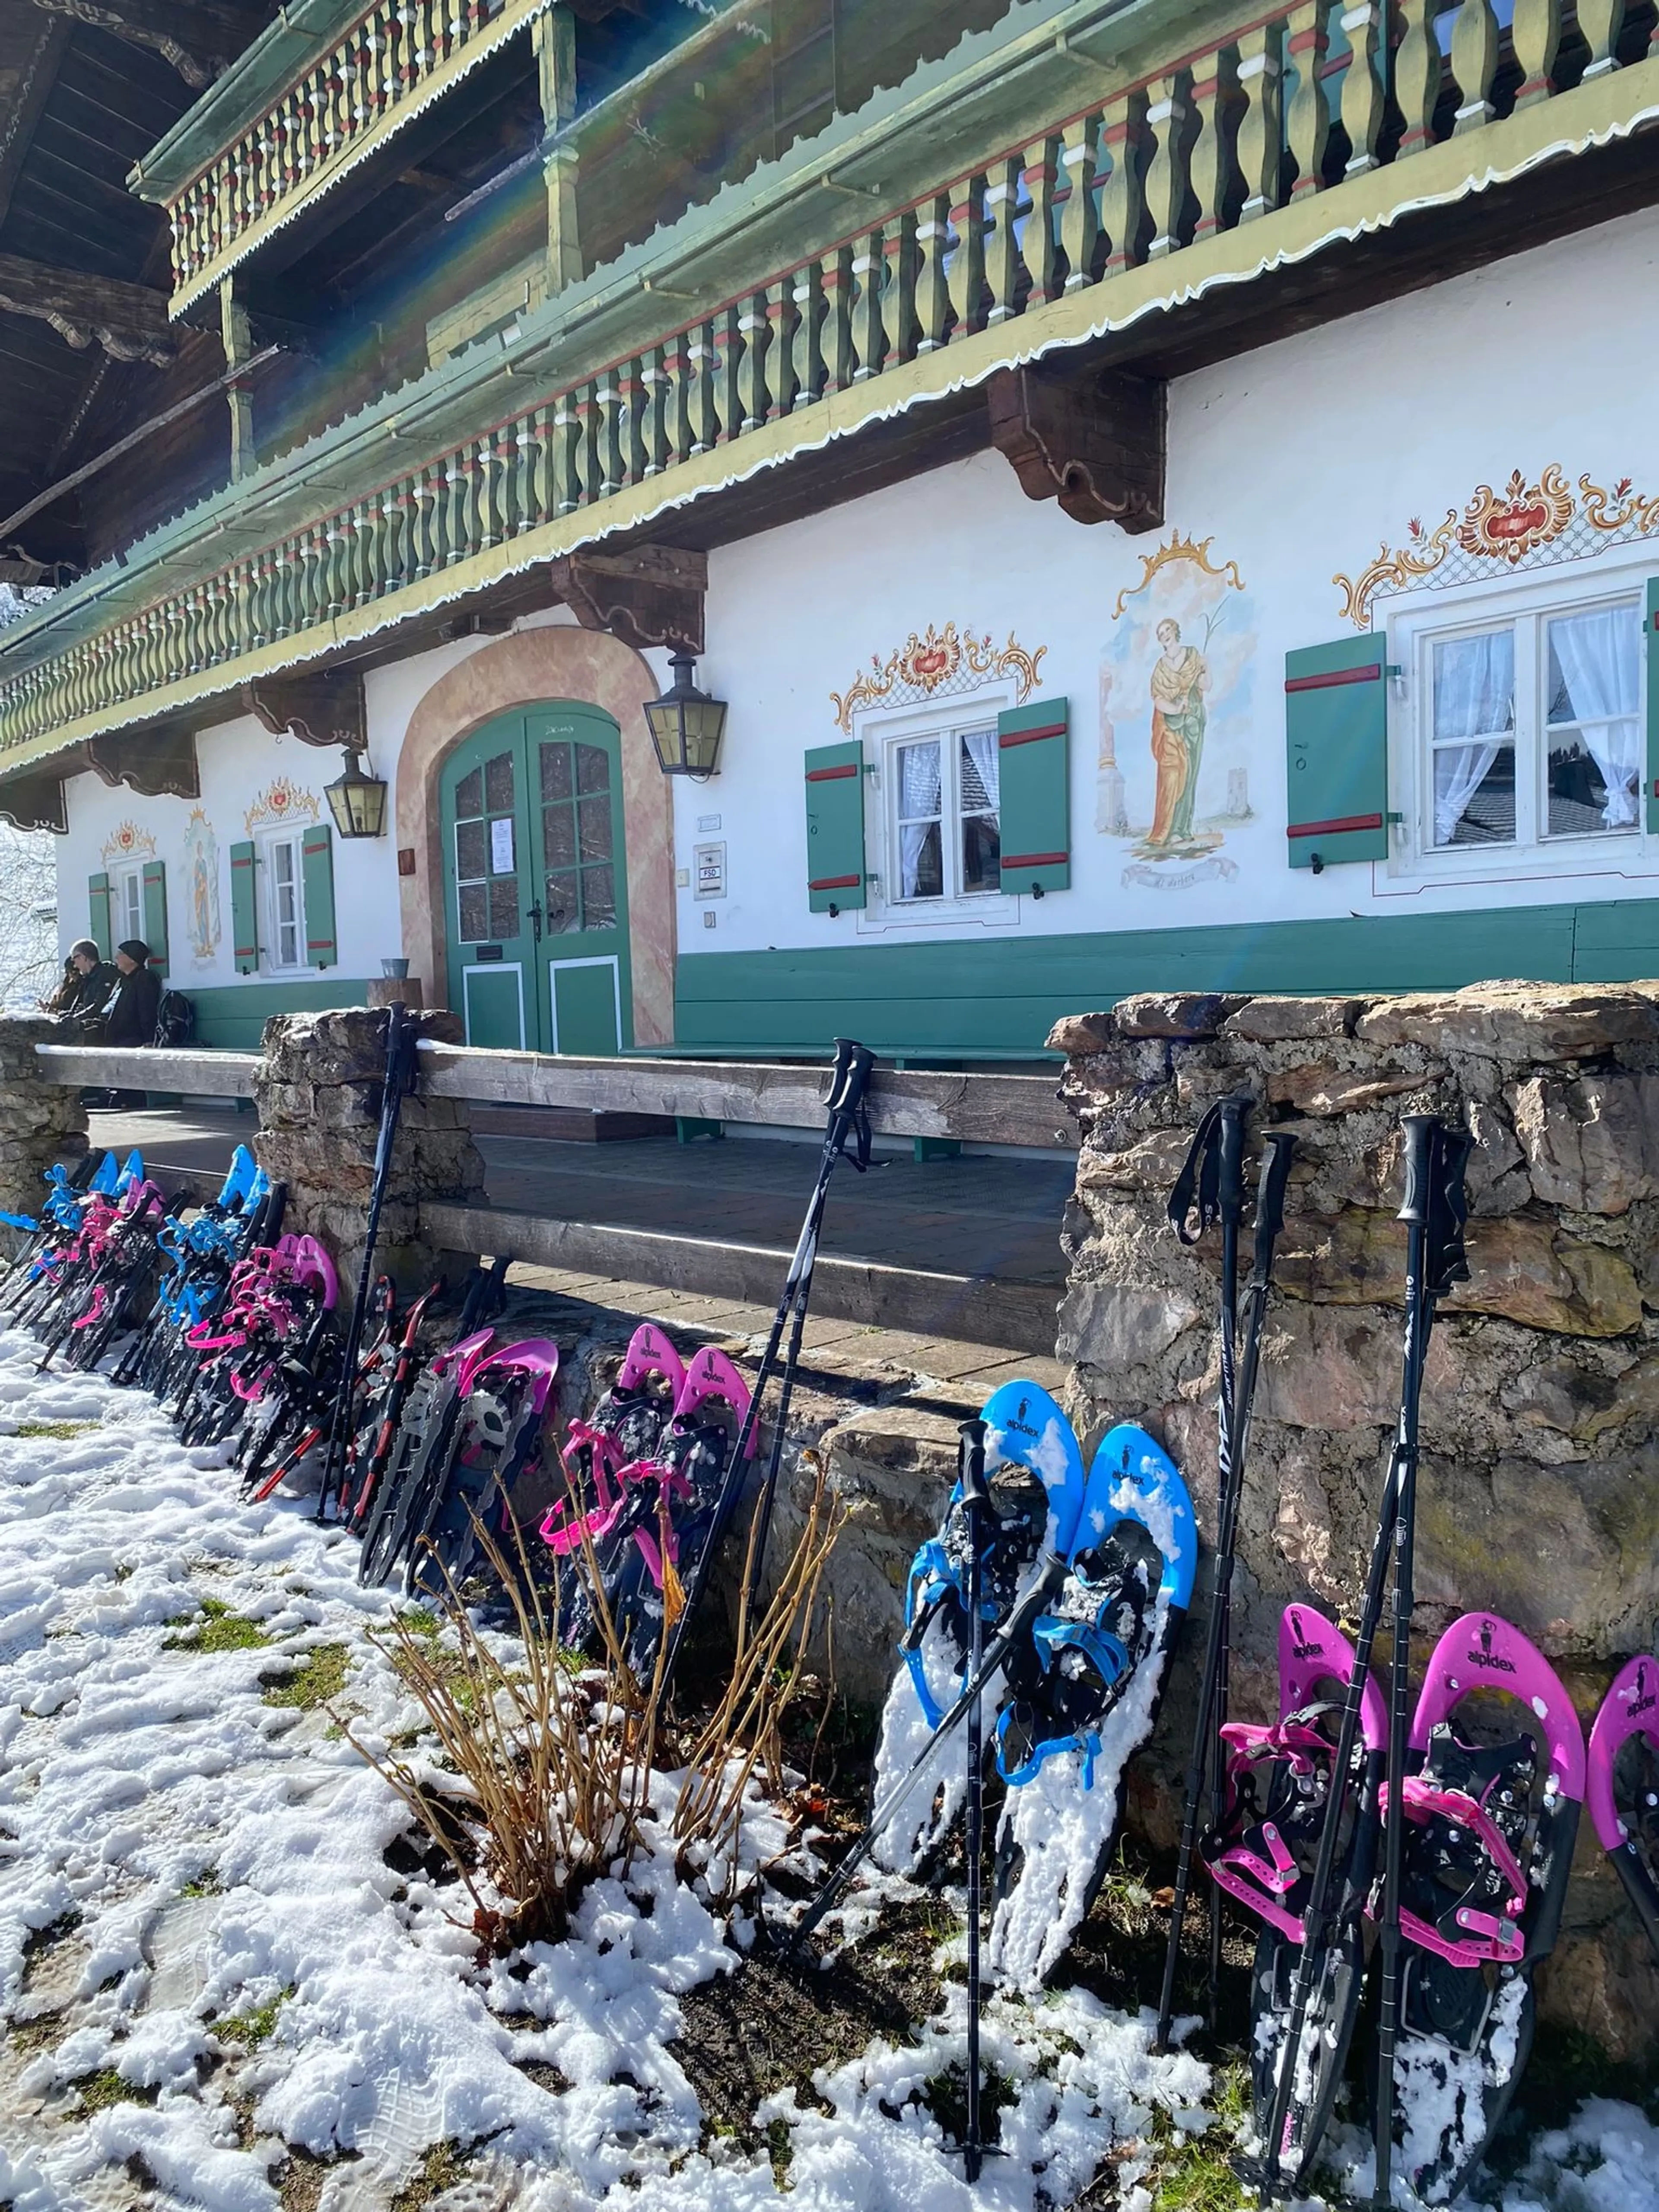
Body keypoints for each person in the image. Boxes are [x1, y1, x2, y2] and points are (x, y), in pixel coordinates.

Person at [96, 941, 162, 1109]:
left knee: (132, 1079)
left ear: (132, 959)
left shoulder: (144, 978)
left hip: (134, 1038)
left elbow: (147, 1009)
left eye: (121, 954)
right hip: (119, 1038)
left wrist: (148, 1038)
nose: (116, 958)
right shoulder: (123, 982)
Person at [58, 939, 119, 1031]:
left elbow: (99, 1006)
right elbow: (78, 1006)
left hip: (101, 1029)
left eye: (74, 959)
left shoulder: (106, 974)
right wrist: (65, 1016)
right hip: (87, 1026)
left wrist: (75, 1018)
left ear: (83, 957)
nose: (75, 966)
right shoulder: (87, 980)